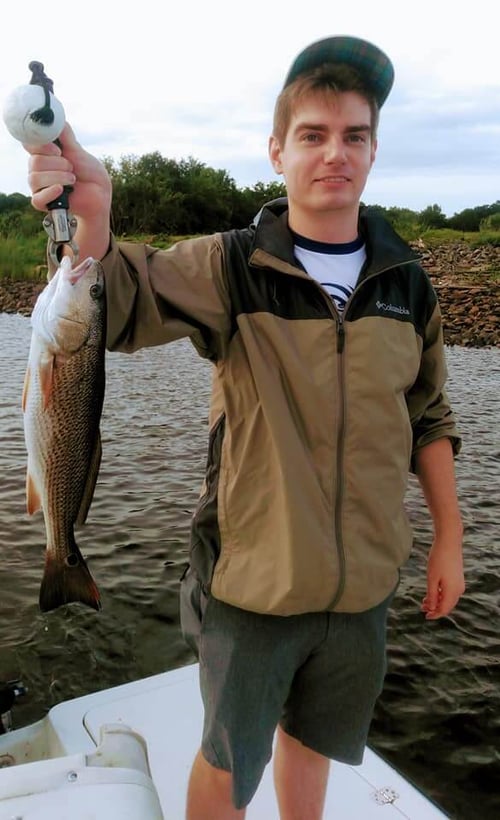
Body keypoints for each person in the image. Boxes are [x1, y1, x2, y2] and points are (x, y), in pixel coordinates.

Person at [25, 35, 465, 820]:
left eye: (354, 135)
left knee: (315, 748)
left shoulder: (409, 284)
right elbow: (117, 301)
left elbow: (428, 415)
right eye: (312, 134)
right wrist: (90, 218)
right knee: (230, 761)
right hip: (252, 589)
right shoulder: (231, 266)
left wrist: (450, 542)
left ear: (374, 150)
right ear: (276, 151)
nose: (336, 152)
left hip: (362, 592)